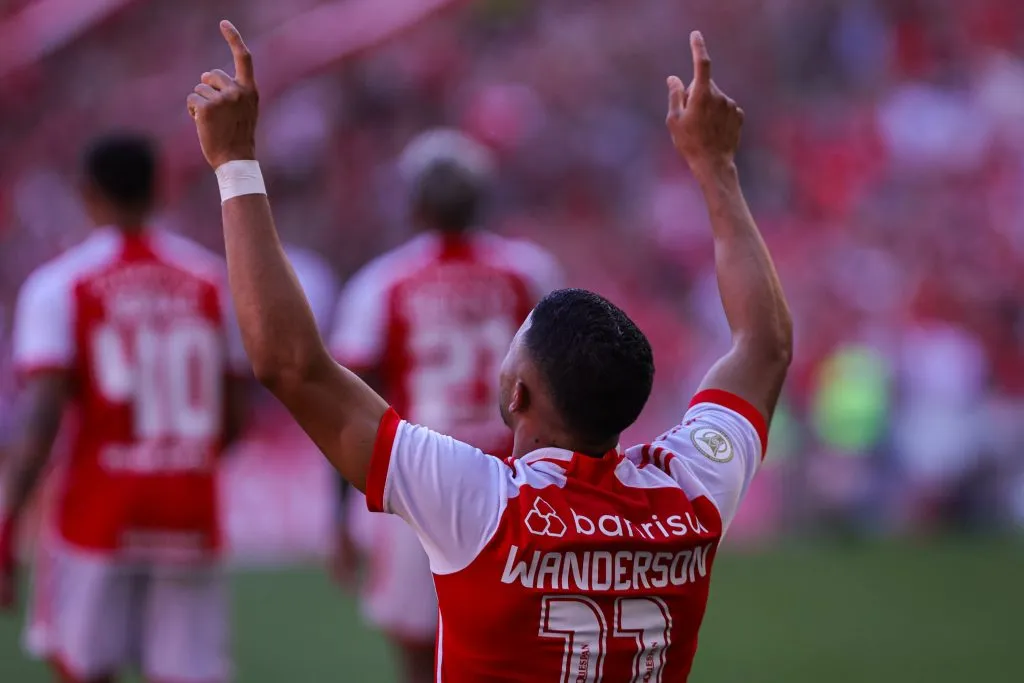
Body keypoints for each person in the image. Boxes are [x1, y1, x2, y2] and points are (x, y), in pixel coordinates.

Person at [188, 20, 792, 682]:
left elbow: (289, 362)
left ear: (517, 393)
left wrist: (236, 163)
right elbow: (763, 343)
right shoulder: (688, 491)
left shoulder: (475, 499)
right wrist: (719, 168)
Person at [0, 132, 248, 683]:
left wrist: (8, 518)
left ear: (88, 194)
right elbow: (233, 416)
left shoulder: (61, 285)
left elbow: (40, 421)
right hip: (187, 507)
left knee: (85, 669)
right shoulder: (210, 282)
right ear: (158, 191)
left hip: (96, 513)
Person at [328, 128, 562, 682]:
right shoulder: (528, 273)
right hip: (516, 479)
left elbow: (347, 404)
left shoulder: (382, 283)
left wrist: (337, 516)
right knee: (522, 648)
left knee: (420, 652)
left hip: (420, 480)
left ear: (415, 204)